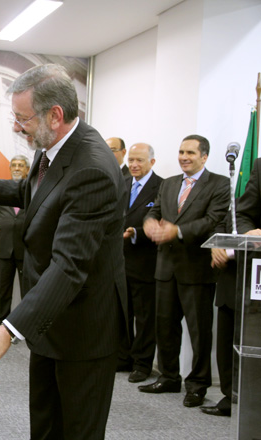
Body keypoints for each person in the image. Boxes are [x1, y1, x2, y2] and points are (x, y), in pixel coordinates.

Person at [0, 64, 127, 439]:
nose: (15, 127)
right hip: (50, 321)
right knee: (45, 425)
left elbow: (69, 267)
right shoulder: (56, 149)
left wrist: (9, 329)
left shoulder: (91, 169)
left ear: (54, 116)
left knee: (76, 430)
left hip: (83, 331)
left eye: (22, 119)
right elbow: (36, 194)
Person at [140, 134, 229, 408]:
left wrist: (177, 231)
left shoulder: (219, 184)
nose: (183, 157)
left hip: (197, 269)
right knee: (164, 327)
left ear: (204, 156)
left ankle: (198, 385)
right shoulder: (168, 184)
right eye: (181, 151)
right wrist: (149, 224)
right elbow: (153, 211)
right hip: (165, 268)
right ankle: (168, 376)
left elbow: (213, 220)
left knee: (199, 331)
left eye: (190, 152)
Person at [120, 143, 162, 382]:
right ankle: (123, 357)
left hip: (146, 263)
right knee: (122, 313)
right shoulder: (123, 184)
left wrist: (136, 231)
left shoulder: (162, 187)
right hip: (120, 261)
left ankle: (142, 364)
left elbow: (159, 221)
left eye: (140, 161)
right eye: (131, 160)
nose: (134, 165)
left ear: (152, 163)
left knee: (145, 317)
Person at [200, 210, 235, 417]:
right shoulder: (241, 189)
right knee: (225, 345)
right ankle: (230, 397)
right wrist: (217, 247)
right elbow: (223, 223)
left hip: (252, 274)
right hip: (230, 279)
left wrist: (229, 252)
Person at [0, 155, 29, 327]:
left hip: (26, 249)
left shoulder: (34, 191)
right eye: (14, 165)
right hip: (4, 248)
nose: (17, 168)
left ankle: (26, 324)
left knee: (28, 289)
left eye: (21, 165)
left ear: (27, 170)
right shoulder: (1, 190)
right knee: (3, 289)